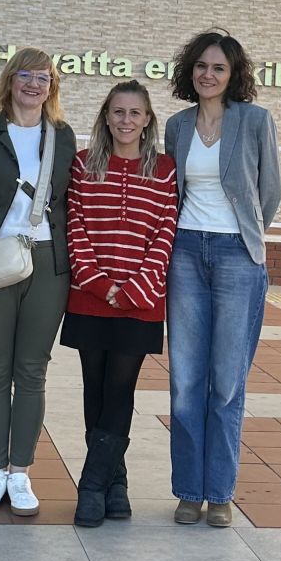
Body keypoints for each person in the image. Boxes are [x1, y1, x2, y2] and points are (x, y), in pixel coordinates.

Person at [163, 31, 281, 528]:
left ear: (234, 76)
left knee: (228, 382)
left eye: (218, 68)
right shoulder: (177, 126)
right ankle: (190, 491)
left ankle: (220, 493)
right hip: (185, 252)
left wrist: (244, 237)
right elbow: (173, 191)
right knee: (186, 380)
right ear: (189, 71)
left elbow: (269, 193)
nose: (207, 75)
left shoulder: (255, 121)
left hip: (237, 256)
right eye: (201, 66)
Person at [0, 49, 75, 517]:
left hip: (48, 264)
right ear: (9, 80)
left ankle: (20, 472)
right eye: (24, 75)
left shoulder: (63, 137)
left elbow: (69, 198)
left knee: (31, 370)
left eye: (43, 78)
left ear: (52, 87)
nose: (33, 84)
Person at [63, 80, 178, 528]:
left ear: (147, 120)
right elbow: (75, 225)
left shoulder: (164, 170)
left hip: (140, 302)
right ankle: (116, 483)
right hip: (89, 297)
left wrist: (132, 290)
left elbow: (165, 233)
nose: (126, 120)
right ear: (106, 117)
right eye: (118, 112)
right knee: (94, 387)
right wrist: (99, 284)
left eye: (134, 113)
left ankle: (92, 486)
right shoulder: (83, 164)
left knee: (120, 388)